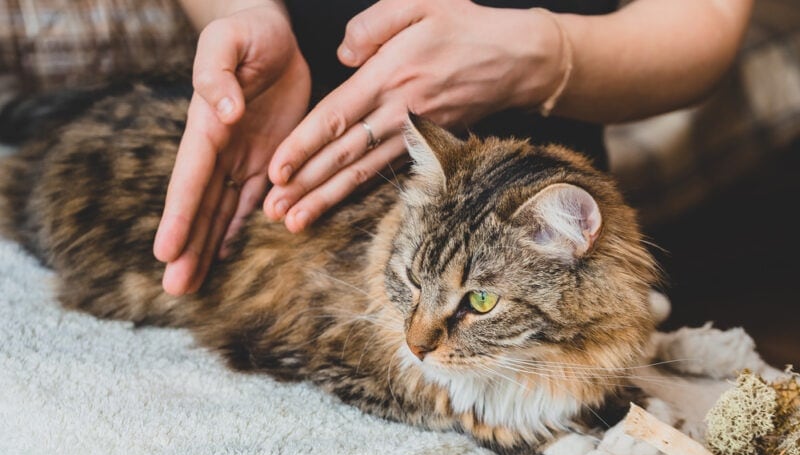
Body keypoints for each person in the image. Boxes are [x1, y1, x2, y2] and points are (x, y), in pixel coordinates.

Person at [153, 0, 753, 296]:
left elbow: (709, 19)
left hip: (534, 238)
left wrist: (538, 59)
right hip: (289, 174)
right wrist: (242, 10)